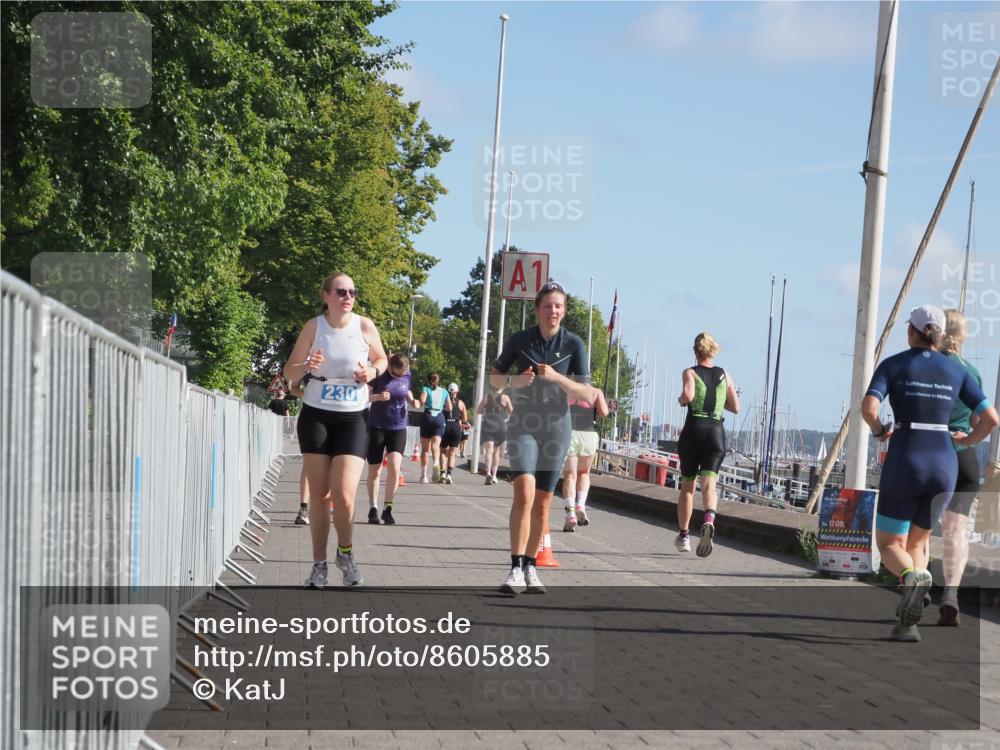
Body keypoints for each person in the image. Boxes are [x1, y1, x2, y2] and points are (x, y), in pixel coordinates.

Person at [862, 305, 997, 642]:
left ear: (912, 331)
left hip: (907, 456)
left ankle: (911, 578)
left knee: (890, 544)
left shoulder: (894, 364)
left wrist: (879, 431)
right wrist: (969, 440)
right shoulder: (958, 371)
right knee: (919, 541)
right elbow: (991, 418)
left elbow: (869, 408)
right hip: (946, 462)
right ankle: (909, 624)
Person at [492, 281, 599, 594]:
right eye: (548, 305)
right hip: (524, 424)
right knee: (524, 494)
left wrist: (557, 377)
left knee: (542, 503)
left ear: (564, 311)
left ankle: (531, 566)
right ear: (537, 308)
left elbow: (587, 393)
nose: (553, 311)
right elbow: (495, 379)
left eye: (558, 306)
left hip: (556, 427)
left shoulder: (573, 344)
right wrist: (516, 380)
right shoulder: (520, 340)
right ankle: (515, 568)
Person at [283, 273, 388, 589]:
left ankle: (345, 553)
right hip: (316, 415)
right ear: (326, 296)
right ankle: (319, 565)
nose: (348, 297)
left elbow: (382, 358)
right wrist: (307, 367)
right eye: (341, 292)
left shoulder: (364, 326)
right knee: (319, 494)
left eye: (353, 292)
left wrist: (372, 371)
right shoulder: (314, 327)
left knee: (343, 494)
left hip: (353, 417)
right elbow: (289, 371)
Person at [937, 309, 987, 626]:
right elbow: (981, 419)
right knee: (956, 530)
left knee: (920, 524)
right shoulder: (972, 372)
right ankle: (950, 594)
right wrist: (969, 439)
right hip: (964, 455)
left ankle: (917, 584)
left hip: (931, 450)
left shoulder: (928, 366)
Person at [674, 333, 740, 557]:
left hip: (694, 430)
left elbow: (688, 395)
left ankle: (684, 537)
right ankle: (709, 519)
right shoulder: (725, 374)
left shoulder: (690, 372)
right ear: (713, 351)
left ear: (696, 351)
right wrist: (719, 404)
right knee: (709, 483)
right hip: (716, 432)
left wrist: (681, 400)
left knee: (688, 487)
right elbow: (736, 407)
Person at [365, 353, 420, 525]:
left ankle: (387, 509)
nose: (399, 377)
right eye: (395, 374)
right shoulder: (378, 374)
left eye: (402, 374)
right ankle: (373, 507)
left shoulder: (407, 374)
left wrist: (412, 400)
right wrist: (377, 397)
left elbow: (406, 390)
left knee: (395, 468)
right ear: (389, 366)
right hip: (377, 426)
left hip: (398, 426)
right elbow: (363, 396)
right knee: (375, 470)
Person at [561, 391, 610, 531]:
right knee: (584, 473)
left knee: (569, 476)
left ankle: (570, 513)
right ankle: (580, 505)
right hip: (588, 435)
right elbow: (604, 412)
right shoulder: (595, 392)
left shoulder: (567, 388)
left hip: (570, 433)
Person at [418, 373, 450, 483]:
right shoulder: (445, 392)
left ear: (428, 380)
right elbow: (449, 407)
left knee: (425, 449)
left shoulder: (426, 389)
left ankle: (424, 476)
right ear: (438, 380)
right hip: (439, 418)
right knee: (435, 445)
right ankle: (436, 463)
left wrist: (421, 400)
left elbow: (422, 401)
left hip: (427, 416)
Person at [478, 388, 513, 485]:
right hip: (500, 425)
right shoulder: (505, 398)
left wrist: (486, 411)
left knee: (488, 451)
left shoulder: (486, 397)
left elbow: (478, 410)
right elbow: (512, 412)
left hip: (488, 425)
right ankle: (494, 476)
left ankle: (488, 473)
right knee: (496, 452)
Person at [439, 383, 467, 484]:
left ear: (448, 391)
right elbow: (464, 419)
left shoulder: (443, 402)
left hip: (445, 426)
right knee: (452, 453)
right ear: (457, 392)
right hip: (455, 427)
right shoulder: (461, 403)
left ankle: (442, 473)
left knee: (443, 451)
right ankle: (449, 475)